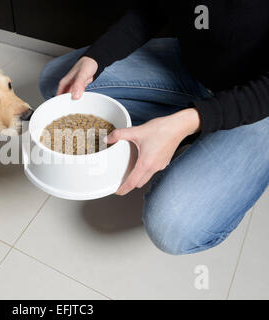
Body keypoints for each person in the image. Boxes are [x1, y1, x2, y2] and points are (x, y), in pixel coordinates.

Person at [38, 1, 269, 255]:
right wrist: (95, 58)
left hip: (259, 103)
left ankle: (193, 130)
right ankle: (183, 128)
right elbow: (152, 9)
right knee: (58, 83)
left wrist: (191, 120)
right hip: (192, 71)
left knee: (171, 226)